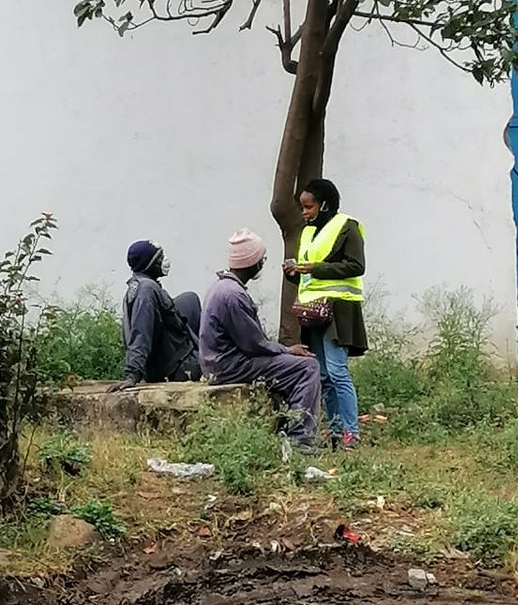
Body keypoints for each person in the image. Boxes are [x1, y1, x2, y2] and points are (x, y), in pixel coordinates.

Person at [200, 229, 321, 452]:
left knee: (290, 367)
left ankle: (286, 426)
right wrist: (287, 351)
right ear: (252, 262)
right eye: (261, 259)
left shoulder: (222, 286)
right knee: (307, 368)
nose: (262, 264)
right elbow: (254, 345)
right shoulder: (233, 295)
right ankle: (300, 440)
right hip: (231, 365)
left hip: (220, 362)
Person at [283, 178, 368, 450]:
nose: (304, 213)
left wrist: (314, 269)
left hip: (339, 309)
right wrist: (296, 274)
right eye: (302, 208)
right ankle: (333, 431)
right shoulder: (307, 233)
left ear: (325, 205)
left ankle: (351, 434)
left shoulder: (347, 227)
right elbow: (309, 276)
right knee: (323, 375)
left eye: (309, 207)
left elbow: (356, 265)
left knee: (337, 370)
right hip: (313, 311)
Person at [119, 240, 201, 387]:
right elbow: (141, 333)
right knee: (229, 365)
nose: (164, 261)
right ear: (149, 263)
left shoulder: (139, 284)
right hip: (175, 367)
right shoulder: (146, 291)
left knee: (190, 299)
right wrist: (132, 375)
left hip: (170, 353)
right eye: (160, 258)